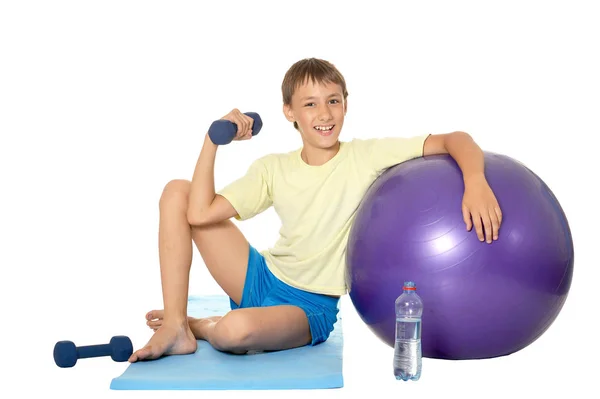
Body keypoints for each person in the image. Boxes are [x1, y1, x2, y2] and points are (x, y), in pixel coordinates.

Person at [128, 58, 502, 362]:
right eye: (310, 104)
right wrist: (212, 140)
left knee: (231, 332)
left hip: (309, 306)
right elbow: (199, 214)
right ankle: (177, 326)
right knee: (177, 191)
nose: (324, 113)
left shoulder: (365, 156)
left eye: (333, 100)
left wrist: (476, 181)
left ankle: (203, 326)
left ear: (345, 104)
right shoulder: (273, 167)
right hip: (260, 275)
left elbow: (456, 140)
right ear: (289, 112)